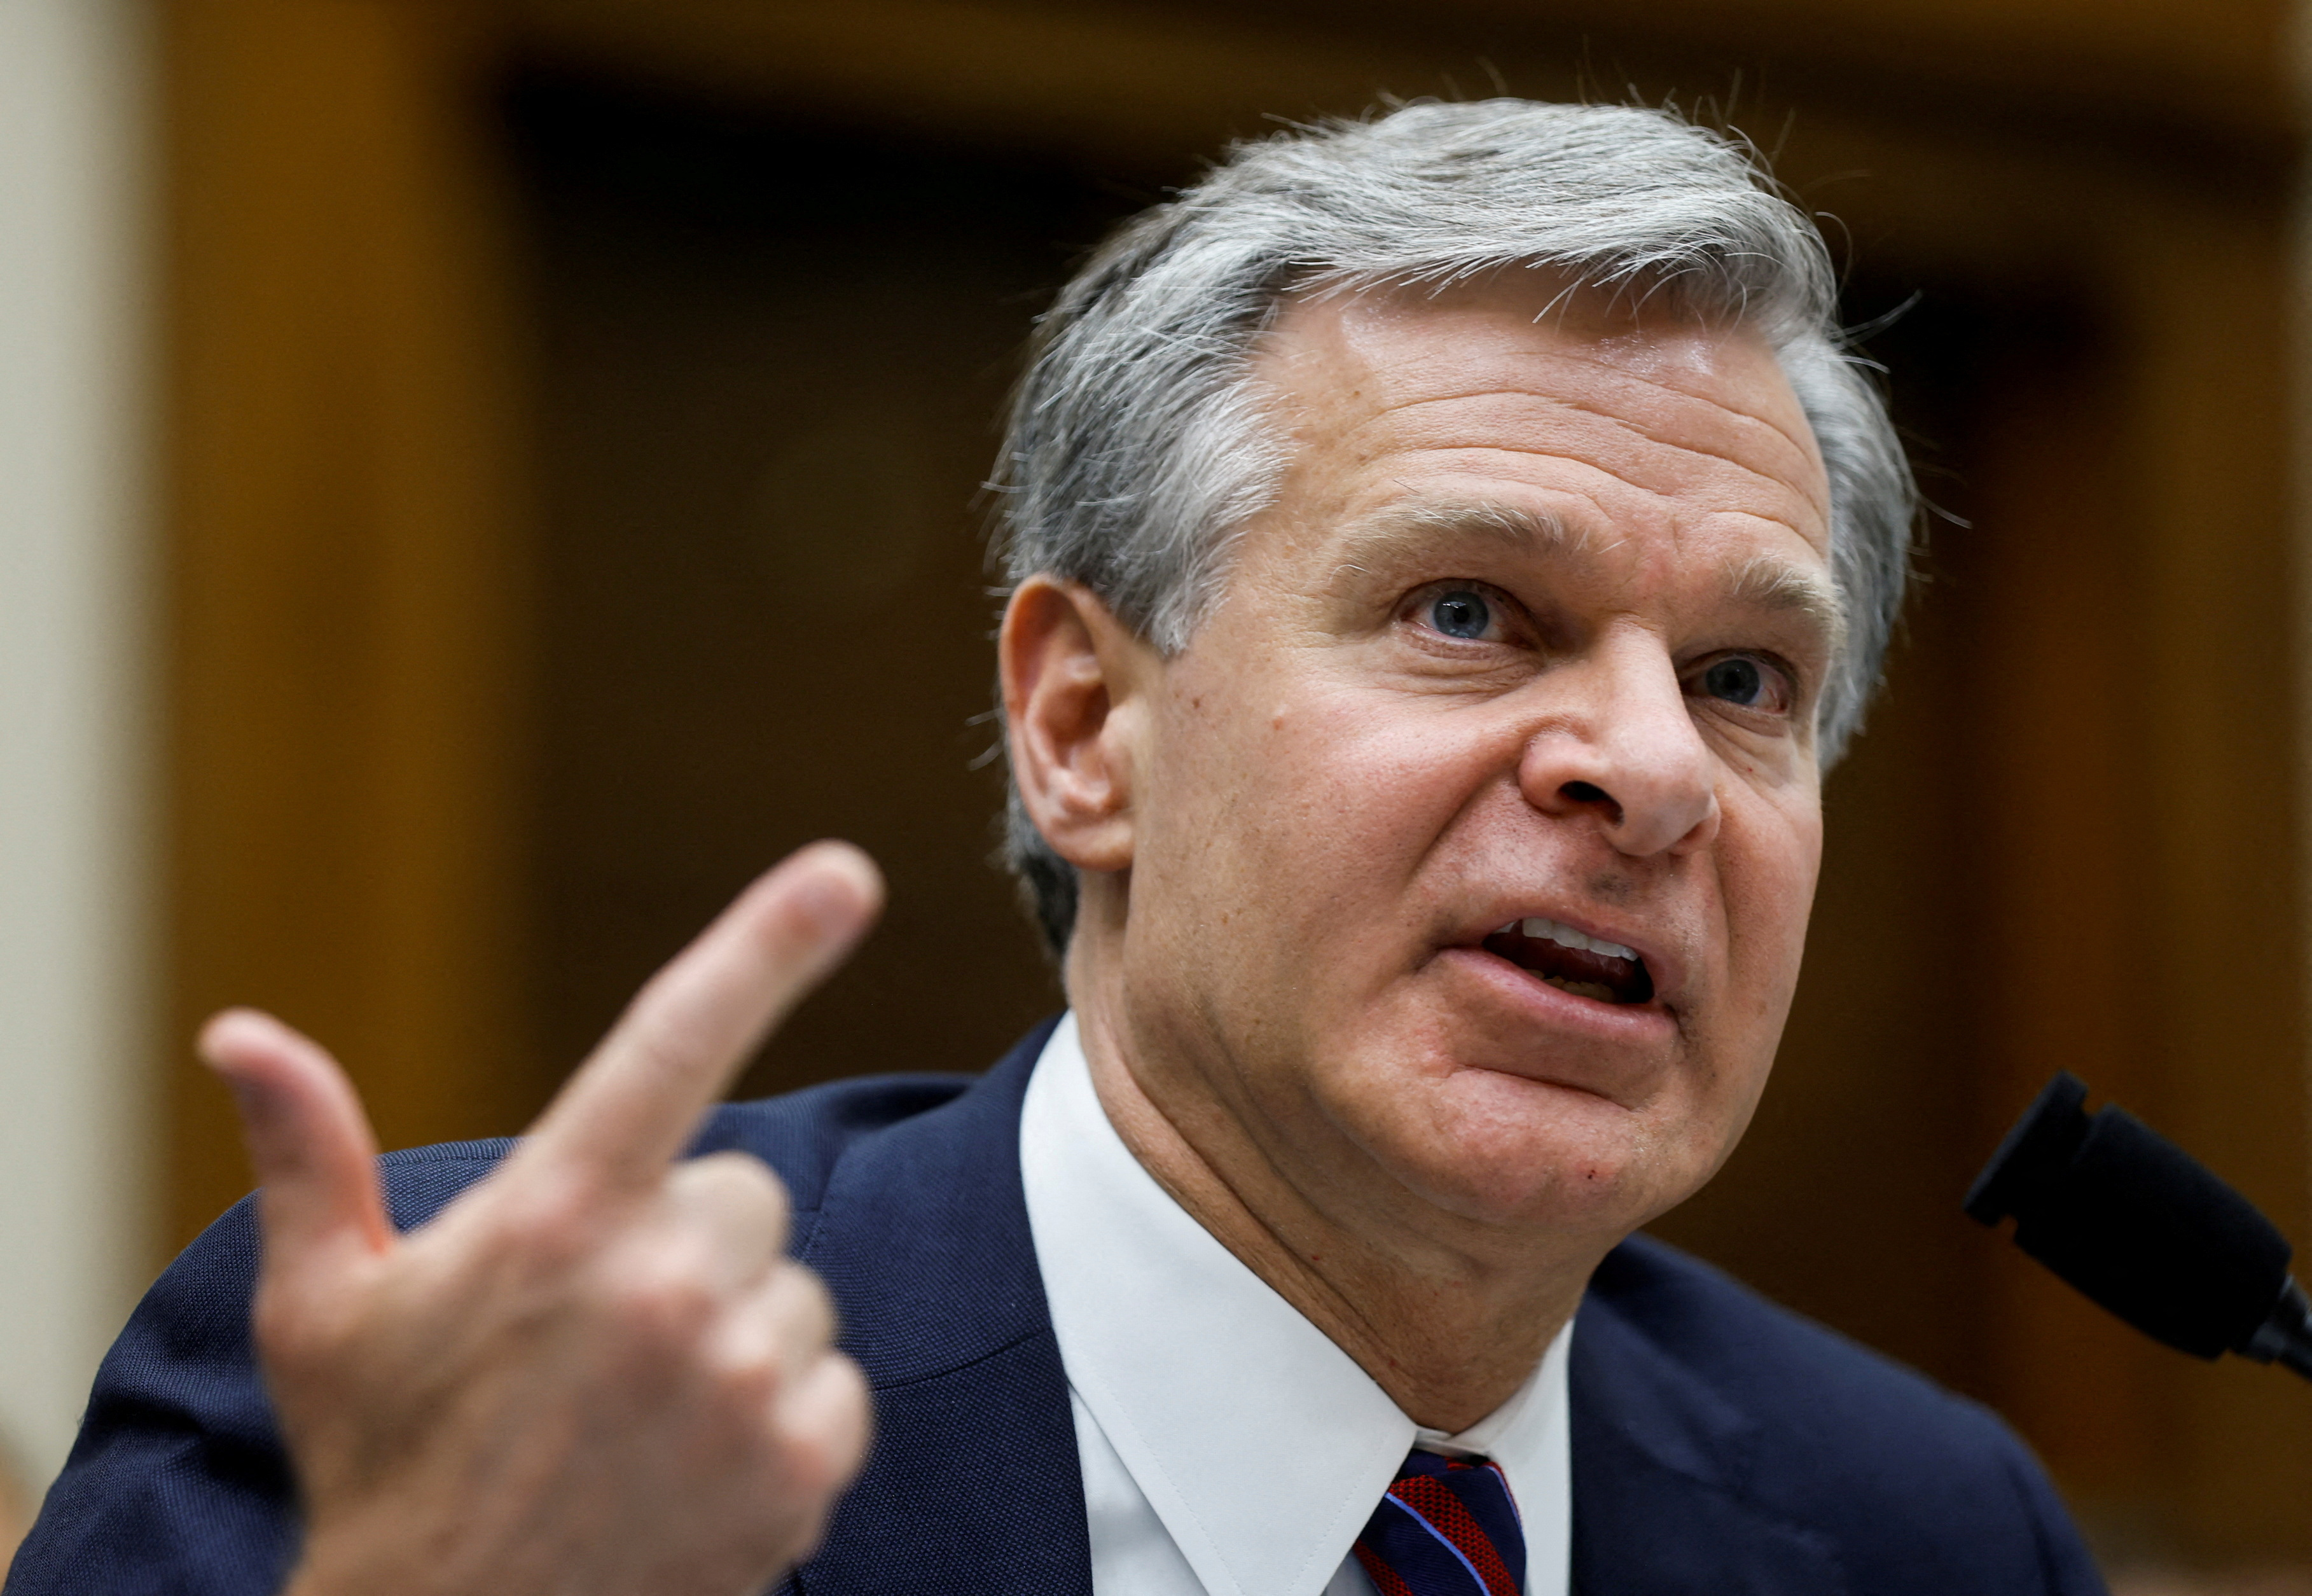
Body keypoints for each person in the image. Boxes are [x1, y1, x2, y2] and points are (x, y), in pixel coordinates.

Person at [8, 100, 2105, 1595]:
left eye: (1742, 678)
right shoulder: (495, 1389)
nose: (1647, 768)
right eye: (1469, 612)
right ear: (1086, 729)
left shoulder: (1923, 1535)